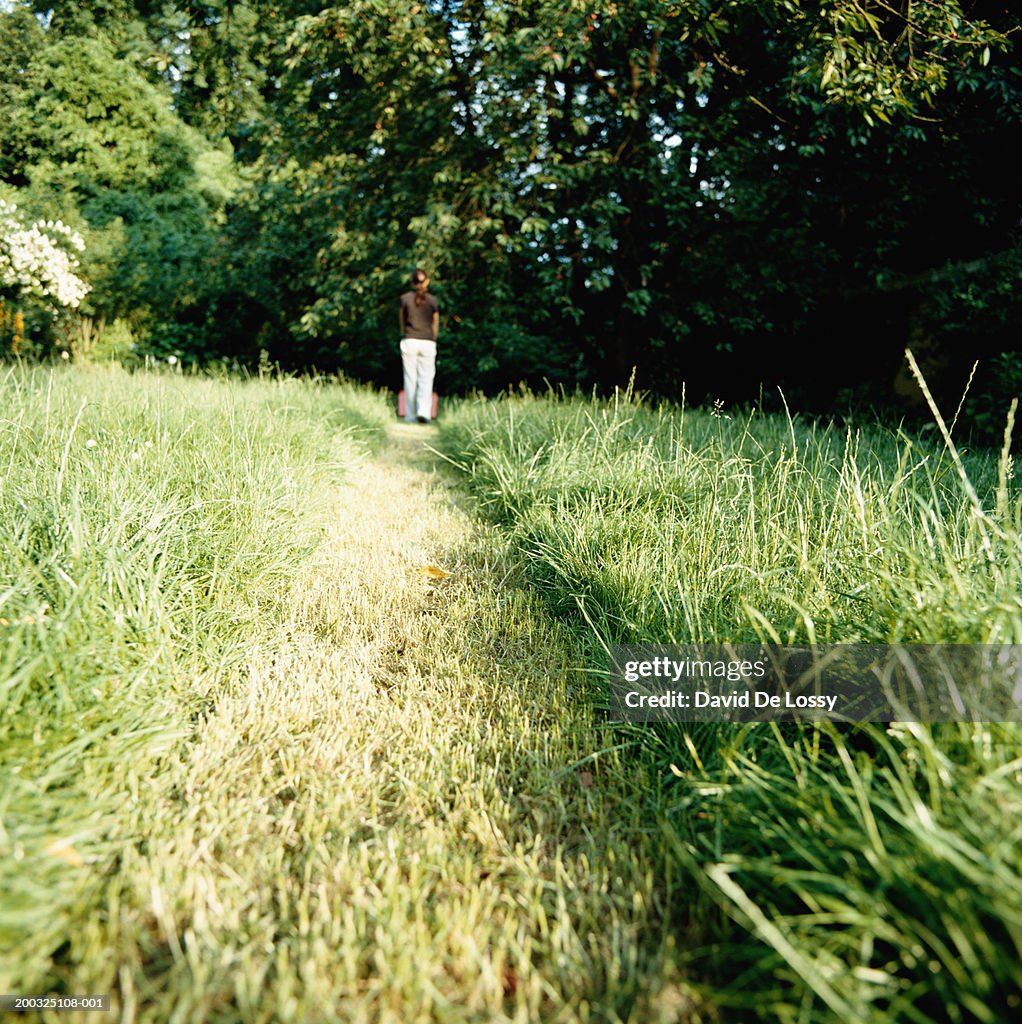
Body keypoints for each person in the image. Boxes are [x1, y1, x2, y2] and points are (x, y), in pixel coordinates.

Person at [399, 269, 439, 423]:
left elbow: (401, 321)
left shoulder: (404, 299)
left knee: (410, 379)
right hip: (428, 342)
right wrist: (433, 339)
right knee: (426, 379)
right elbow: (435, 324)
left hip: (410, 341)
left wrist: (405, 334)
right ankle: (424, 412)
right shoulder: (433, 301)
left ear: (412, 283)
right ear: (427, 281)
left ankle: (410, 415)